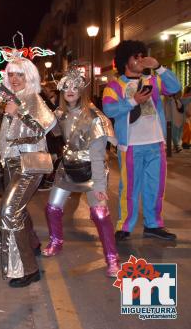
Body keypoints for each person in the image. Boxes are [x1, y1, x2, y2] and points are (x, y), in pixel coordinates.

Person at [42, 67, 119, 277]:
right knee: (52, 207)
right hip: (67, 168)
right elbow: (50, 129)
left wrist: (101, 187)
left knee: (101, 214)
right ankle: (56, 241)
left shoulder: (96, 118)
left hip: (91, 172)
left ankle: (112, 259)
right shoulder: (60, 114)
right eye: (66, 86)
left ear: (82, 91)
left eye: (75, 86)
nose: (70, 90)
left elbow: (97, 156)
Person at [102, 40, 180, 241]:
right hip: (131, 147)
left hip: (156, 144)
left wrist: (159, 67)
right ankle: (125, 226)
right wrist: (133, 101)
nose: (140, 59)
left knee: (155, 186)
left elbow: (175, 87)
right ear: (125, 60)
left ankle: (153, 225)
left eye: (141, 55)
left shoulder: (154, 80)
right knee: (129, 188)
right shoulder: (114, 86)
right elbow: (109, 109)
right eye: (135, 56)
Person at [0, 50, 56, 287]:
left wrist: (18, 112)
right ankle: (31, 243)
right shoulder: (14, 97)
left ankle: (28, 268)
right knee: (17, 210)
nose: (14, 79)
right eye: (11, 74)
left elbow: (45, 126)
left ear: (29, 76)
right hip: (13, 162)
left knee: (9, 212)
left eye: (19, 74)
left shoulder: (31, 97)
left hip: (30, 163)